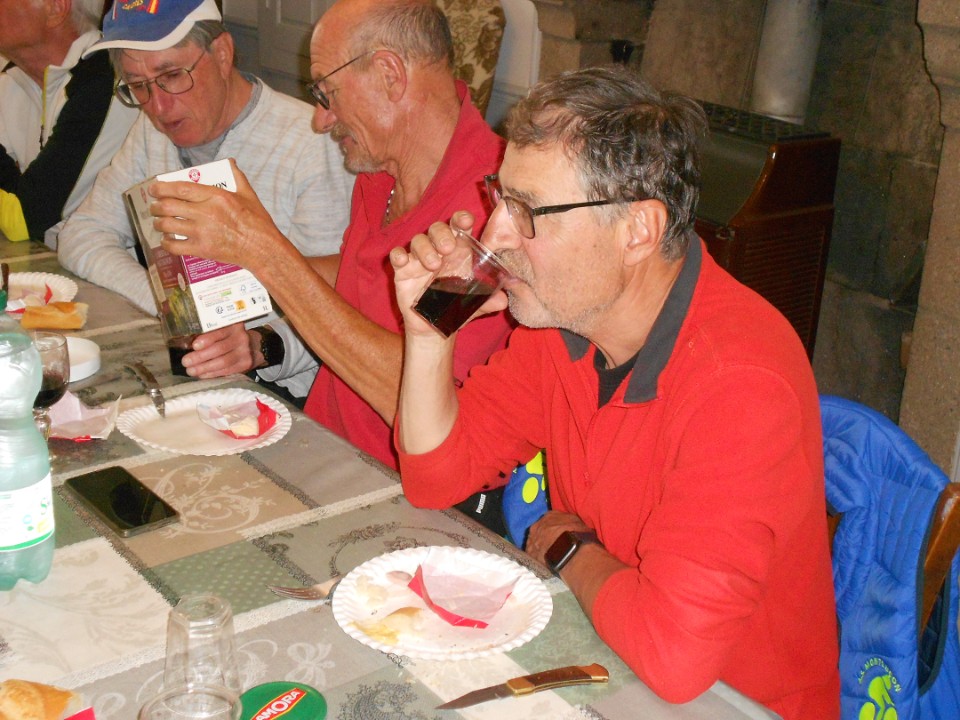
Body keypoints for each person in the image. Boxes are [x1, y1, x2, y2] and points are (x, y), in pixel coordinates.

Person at [389, 66, 841, 719]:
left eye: (527, 211)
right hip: (608, 656)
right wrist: (433, 330)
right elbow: (434, 478)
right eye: (499, 197)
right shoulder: (563, 324)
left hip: (730, 704)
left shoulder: (740, 386)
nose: (493, 237)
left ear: (638, 230)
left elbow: (675, 656)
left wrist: (569, 549)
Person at [147, 0, 513, 470]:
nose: (321, 120)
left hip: (394, 484)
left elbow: (418, 403)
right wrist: (242, 278)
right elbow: (366, 275)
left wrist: (266, 252)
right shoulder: (382, 172)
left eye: (326, 94)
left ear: (389, 74)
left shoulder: (491, 215)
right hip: (319, 443)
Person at [57, 0, 354, 401]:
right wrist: (173, 309)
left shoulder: (310, 145)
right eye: (138, 86)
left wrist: (258, 344)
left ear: (223, 53)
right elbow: (82, 234)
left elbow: (341, 303)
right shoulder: (152, 131)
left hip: (285, 387)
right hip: (192, 366)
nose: (158, 107)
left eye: (172, 75)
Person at [0, 0, 137, 246]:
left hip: (110, 266)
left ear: (56, 7)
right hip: (57, 262)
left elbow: (22, 217)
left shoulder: (107, 81)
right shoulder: (12, 80)